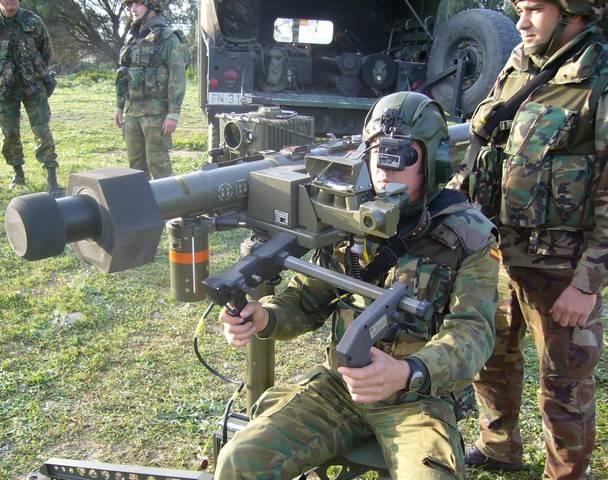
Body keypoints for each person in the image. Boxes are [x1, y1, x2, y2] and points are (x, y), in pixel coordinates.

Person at [214, 92, 501, 479]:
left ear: (434, 162)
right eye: (377, 152)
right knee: (240, 459)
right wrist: (266, 317)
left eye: (402, 155)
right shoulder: (346, 218)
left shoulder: (468, 235)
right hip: (339, 386)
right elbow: (310, 296)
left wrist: (408, 371)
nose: (385, 169)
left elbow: (473, 332)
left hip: (415, 398)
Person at [453, 1, 608, 478]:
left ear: (574, 12)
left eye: (535, 9)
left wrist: (586, 284)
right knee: (490, 358)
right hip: (497, 252)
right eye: (519, 9)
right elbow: (487, 148)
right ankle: (499, 447)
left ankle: (566, 473)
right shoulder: (519, 65)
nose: (520, 22)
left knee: (565, 382)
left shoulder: (599, 81)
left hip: (561, 269)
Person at [0, 0, 61, 195]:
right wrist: (1, 74)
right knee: (9, 133)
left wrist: (32, 71)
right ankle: (18, 174)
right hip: (4, 89)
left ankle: (51, 178)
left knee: (42, 131)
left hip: (33, 86)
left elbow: (46, 52)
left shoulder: (33, 21)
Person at [114, 0, 186, 180]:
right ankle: (141, 199)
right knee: (135, 166)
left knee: (158, 165)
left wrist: (173, 113)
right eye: (130, 5)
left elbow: (177, 76)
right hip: (132, 112)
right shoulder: (133, 38)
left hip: (156, 114)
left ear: (152, 7)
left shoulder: (168, 38)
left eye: (138, 4)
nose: (133, 9)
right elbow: (123, 75)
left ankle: (168, 199)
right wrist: (119, 106)